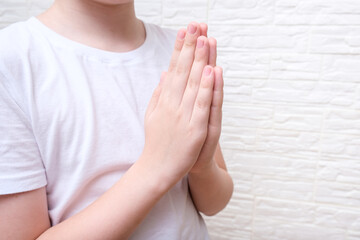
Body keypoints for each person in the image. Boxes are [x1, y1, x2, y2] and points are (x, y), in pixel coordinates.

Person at [0, 0, 233, 239]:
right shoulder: (12, 61)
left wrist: (201, 167)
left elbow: (214, 202)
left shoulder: (178, 52)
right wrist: (156, 167)